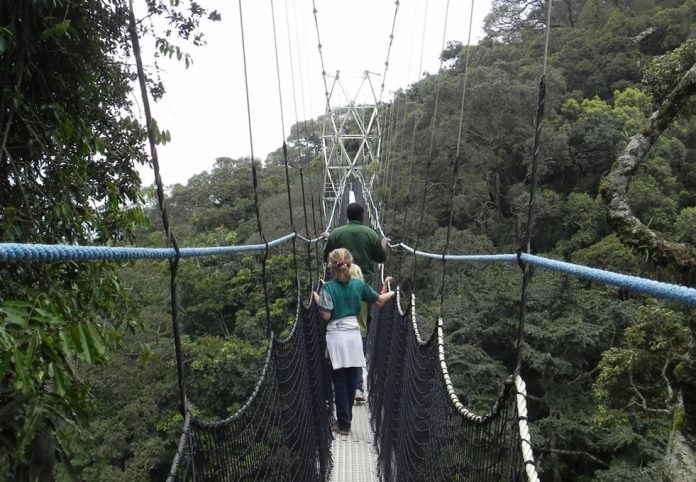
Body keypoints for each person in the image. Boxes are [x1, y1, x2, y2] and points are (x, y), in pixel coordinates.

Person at [313, 248, 395, 435]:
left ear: (331, 267)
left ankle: (343, 424)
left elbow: (326, 315)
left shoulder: (327, 288)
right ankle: (345, 420)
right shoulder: (359, 285)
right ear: (350, 264)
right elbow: (380, 301)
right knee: (351, 379)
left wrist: (319, 300)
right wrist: (392, 294)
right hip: (354, 335)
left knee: (339, 381)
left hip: (336, 337)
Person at [323, 202, 390, 401]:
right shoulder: (370, 234)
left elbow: (325, 257)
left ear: (346, 215)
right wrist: (383, 241)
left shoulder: (336, 233)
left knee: (335, 328)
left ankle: (340, 387)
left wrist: (329, 239)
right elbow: (381, 257)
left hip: (337, 291)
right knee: (360, 331)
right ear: (362, 217)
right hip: (363, 289)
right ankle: (358, 387)